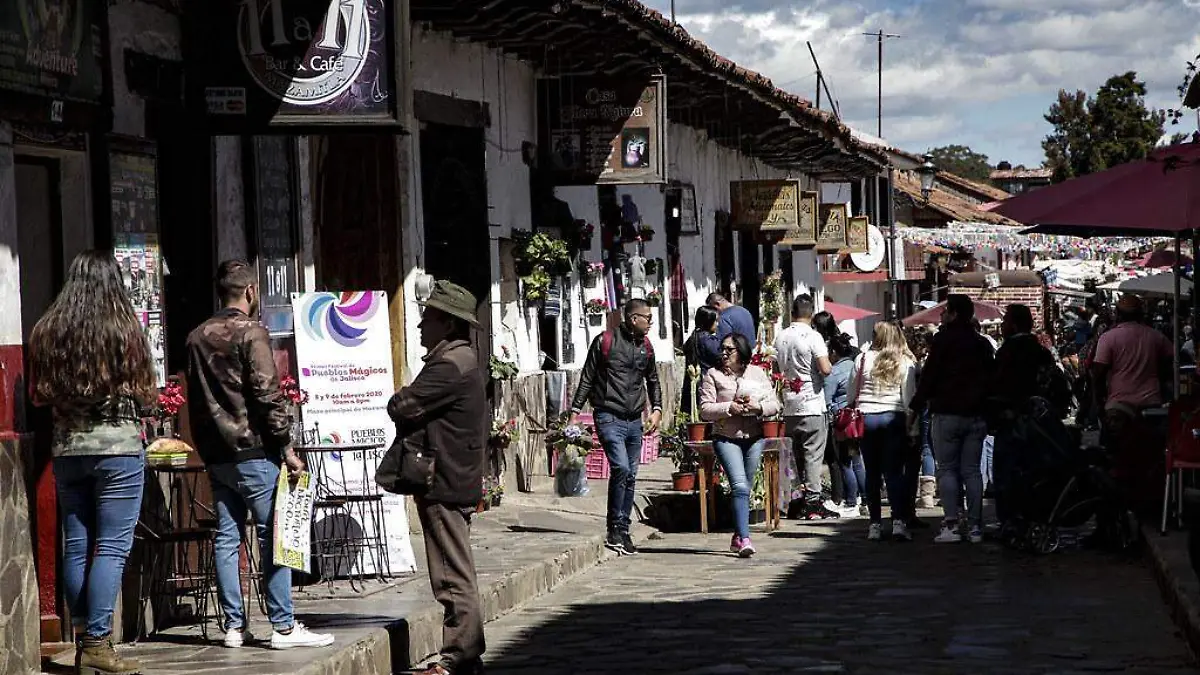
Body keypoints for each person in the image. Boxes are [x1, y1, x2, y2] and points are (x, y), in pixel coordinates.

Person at [186, 261, 334, 650]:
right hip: (254, 451)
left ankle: (234, 626)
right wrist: (286, 446)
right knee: (275, 535)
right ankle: (283, 625)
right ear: (251, 291)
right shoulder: (252, 333)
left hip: (217, 455)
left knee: (227, 537)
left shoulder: (196, 337)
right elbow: (268, 394)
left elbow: (197, 401)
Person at [28, 252, 156, 674]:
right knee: (113, 549)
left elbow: (38, 395)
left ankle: (85, 637)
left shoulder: (48, 332)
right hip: (118, 451)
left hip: (67, 452)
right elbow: (146, 394)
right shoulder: (124, 332)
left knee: (77, 546)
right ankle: (98, 644)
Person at [388, 280, 488, 675]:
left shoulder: (449, 366)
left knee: (450, 572)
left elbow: (402, 404)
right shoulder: (460, 359)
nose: (419, 325)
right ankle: (467, 658)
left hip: (445, 479)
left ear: (447, 324)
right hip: (454, 475)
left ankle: (458, 654)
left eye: (427, 317)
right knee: (454, 567)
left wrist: (401, 396)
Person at [570, 299, 663, 555]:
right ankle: (614, 525)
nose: (651, 323)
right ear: (634, 319)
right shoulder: (604, 342)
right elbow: (587, 378)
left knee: (631, 474)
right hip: (608, 415)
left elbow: (653, 380)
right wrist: (575, 412)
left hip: (635, 419)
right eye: (648, 318)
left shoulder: (646, 346)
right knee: (621, 467)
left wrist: (656, 409)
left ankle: (623, 529)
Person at [911, 294, 996, 544]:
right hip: (975, 414)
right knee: (972, 471)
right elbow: (990, 378)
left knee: (947, 469)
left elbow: (929, 377)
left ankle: (951, 524)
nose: (941, 314)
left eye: (945, 310)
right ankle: (976, 526)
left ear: (955, 314)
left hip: (947, 412)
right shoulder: (981, 344)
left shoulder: (942, 341)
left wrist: (915, 408)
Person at [699, 333, 781, 557]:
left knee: (745, 486)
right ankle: (745, 538)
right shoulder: (713, 375)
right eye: (722, 349)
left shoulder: (757, 373)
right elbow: (705, 409)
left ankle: (738, 534)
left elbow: (775, 403)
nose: (724, 353)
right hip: (726, 437)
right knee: (740, 486)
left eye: (730, 350)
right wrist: (729, 407)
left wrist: (759, 408)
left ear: (742, 352)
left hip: (754, 436)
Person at [1092, 294, 1174, 513]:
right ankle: (1148, 506)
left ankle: (1114, 512)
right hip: (1151, 406)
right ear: (1141, 315)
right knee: (1149, 459)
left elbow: (1098, 375)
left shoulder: (1109, 338)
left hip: (1118, 407)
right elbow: (1171, 365)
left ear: (1117, 315)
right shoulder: (1156, 337)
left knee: (1113, 459)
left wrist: (1097, 405)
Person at [991, 304, 1070, 526]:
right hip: (1041, 424)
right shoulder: (1040, 352)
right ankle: (1034, 515)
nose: (1002, 325)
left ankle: (1012, 520)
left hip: (1014, 422)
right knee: (1036, 472)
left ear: (1014, 324)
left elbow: (998, 387)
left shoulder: (1007, 353)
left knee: (1009, 474)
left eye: (1005, 321)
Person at [850, 322, 919, 541]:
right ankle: (898, 522)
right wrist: (912, 427)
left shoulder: (861, 359)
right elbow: (909, 398)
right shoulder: (904, 361)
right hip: (893, 417)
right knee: (894, 473)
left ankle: (875, 525)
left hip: (867, 417)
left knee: (872, 472)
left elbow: (852, 393)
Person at [774, 294, 837, 519]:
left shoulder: (780, 337)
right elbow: (825, 368)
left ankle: (795, 499)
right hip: (811, 401)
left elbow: (774, 368)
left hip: (789, 402)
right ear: (811, 314)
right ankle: (813, 501)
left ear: (792, 312)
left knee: (795, 455)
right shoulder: (814, 336)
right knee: (812, 454)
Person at [825, 332, 865, 517]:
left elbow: (827, 398)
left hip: (842, 421)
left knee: (846, 463)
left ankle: (851, 501)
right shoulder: (855, 364)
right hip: (857, 419)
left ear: (833, 352)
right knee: (857, 461)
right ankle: (865, 499)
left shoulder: (835, 371)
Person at [681, 306, 722, 419]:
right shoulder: (708, 340)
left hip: (693, 383)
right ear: (709, 321)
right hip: (706, 384)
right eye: (716, 321)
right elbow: (720, 358)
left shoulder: (693, 338)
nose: (717, 324)